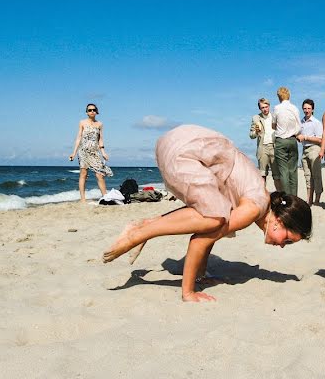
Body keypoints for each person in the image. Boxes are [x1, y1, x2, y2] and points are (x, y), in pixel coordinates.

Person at [103, 124, 312, 302]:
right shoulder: (253, 208)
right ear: (280, 220)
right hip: (185, 152)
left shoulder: (257, 196)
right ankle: (140, 232)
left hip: (177, 143)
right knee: (214, 221)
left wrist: (200, 276)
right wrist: (189, 292)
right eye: (287, 239)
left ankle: (145, 224)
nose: (283, 245)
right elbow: (200, 240)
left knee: (215, 217)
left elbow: (209, 229)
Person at [69, 103, 113, 202]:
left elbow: (100, 139)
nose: (92, 111)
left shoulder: (100, 124)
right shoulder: (82, 122)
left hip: (95, 151)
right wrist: (74, 153)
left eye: (93, 110)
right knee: (83, 173)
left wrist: (103, 152)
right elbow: (78, 138)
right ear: (87, 112)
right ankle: (83, 199)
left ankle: (105, 197)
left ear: (96, 111)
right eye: (89, 110)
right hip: (83, 151)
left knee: (100, 174)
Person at [272, 86, 302, 196]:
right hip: (292, 140)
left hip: (281, 141)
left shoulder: (277, 108)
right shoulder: (295, 108)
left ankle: (286, 198)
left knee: (283, 171)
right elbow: (299, 125)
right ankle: (294, 197)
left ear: (279, 97)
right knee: (293, 171)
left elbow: (273, 125)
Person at [249, 97, 280, 191]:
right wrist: (256, 132)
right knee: (262, 175)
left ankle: (280, 196)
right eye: (262, 107)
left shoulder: (275, 116)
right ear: (260, 108)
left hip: (274, 147)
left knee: (277, 175)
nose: (265, 109)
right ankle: (262, 196)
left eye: (266, 107)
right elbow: (251, 135)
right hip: (263, 148)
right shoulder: (255, 118)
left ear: (269, 106)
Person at [297, 99, 324, 206]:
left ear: (313, 109)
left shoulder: (317, 122)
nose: (306, 110)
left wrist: (306, 137)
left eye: (309, 108)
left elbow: (320, 139)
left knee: (316, 175)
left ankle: (317, 199)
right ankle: (309, 199)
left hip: (314, 149)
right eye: (305, 108)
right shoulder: (300, 122)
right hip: (304, 150)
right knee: (307, 176)